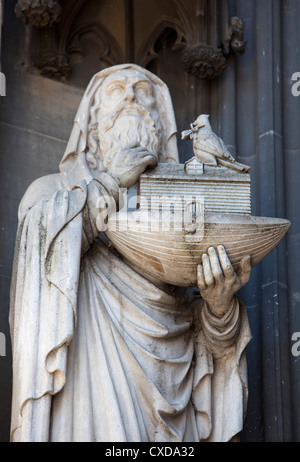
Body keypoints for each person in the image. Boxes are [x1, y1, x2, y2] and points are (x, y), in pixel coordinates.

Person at [9, 64, 252, 442]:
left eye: (143, 92)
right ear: (91, 125)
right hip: (87, 389)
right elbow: (38, 276)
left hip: (175, 394)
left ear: (160, 123)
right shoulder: (50, 194)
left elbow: (211, 352)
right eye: (115, 91)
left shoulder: (188, 208)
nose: (130, 97)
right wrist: (109, 184)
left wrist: (220, 311)